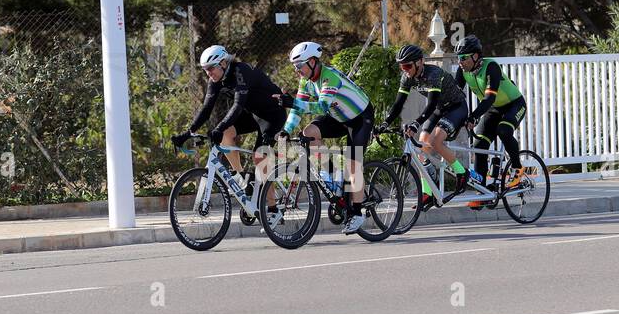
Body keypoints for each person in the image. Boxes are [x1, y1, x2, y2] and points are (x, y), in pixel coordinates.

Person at [280, 41, 374, 235]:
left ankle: (357, 212)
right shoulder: (306, 81)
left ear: (313, 61)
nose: (297, 71)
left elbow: (321, 107)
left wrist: (292, 102)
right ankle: (332, 176)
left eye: (299, 66)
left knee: (353, 164)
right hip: (338, 117)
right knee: (309, 133)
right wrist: (286, 130)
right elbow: (298, 109)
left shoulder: (329, 77)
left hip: (359, 118)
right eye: (294, 67)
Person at [171, 45, 286, 183]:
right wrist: (189, 132)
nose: (208, 73)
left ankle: (271, 205)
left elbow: (238, 105)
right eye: (205, 69)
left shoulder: (240, 72)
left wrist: (218, 128)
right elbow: (206, 109)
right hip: (253, 113)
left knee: (259, 157)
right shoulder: (215, 80)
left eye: (211, 68)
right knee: (226, 133)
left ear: (223, 63)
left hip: (272, 114)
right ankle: (242, 178)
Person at [381, 43, 469, 211]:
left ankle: (461, 172)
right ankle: (428, 191)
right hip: (439, 109)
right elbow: (398, 104)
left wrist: (416, 123)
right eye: (402, 66)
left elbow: (431, 104)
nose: (404, 69)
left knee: (435, 142)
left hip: (456, 107)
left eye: (407, 65)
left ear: (420, 62)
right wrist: (385, 123)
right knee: (421, 146)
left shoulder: (433, 74)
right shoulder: (407, 77)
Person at [453, 35, 528, 209]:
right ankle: (483, 193)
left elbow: (487, 100)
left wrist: (473, 116)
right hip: (493, 109)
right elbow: (456, 96)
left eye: (463, 58)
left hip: (513, 104)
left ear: (476, 56)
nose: (460, 62)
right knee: (479, 146)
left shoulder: (491, 67)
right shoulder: (463, 71)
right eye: (458, 58)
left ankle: (518, 170)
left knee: (503, 130)